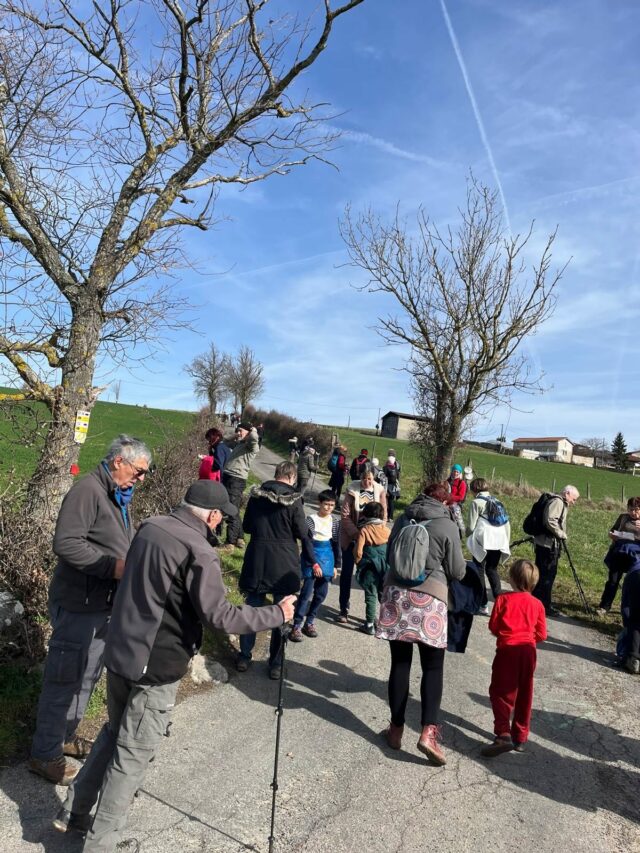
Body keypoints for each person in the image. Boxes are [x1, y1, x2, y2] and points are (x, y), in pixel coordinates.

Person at [54, 480, 296, 848]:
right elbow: (222, 617)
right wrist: (276, 613)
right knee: (132, 755)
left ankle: (73, 812)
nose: (219, 524)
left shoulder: (149, 526)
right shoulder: (198, 550)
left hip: (119, 650)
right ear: (213, 515)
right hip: (154, 664)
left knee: (113, 734)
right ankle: (100, 844)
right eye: (220, 518)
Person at [29, 435, 151, 786]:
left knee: (85, 678)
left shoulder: (117, 495)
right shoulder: (88, 491)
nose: (141, 479)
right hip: (78, 605)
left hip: (101, 605)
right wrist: (114, 568)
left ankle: (63, 737)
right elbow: (66, 544)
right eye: (139, 472)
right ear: (119, 462)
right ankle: (44, 755)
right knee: (64, 679)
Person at [377, 483, 466, 765]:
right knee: (432, 667)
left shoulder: (404, 517)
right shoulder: (447, 523)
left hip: (396, 596)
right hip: (430, 600)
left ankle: (395, 729)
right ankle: (428, 733)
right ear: (445, 501)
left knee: (400, 664)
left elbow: (390, 552)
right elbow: (457, 570)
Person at [237, 461, 312, 678]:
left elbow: (247, 526)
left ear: (276, 474)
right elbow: (301, 531)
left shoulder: (256, 496)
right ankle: (276, 663)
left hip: (257, 558)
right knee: (283, 611)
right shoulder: (295, 500)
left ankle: (244, 655)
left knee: (252, 609)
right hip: (284, 561)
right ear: (292, 478)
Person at [481, 559, 547, 757]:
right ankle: (521, 737)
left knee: (500, 692)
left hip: (507, 650)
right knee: (524, 693)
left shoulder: (503, 599)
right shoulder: (538, 604)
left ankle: (503, 732)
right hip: (528, 651)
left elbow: (493, 626)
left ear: (511, 579)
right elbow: (542, 635)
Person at [290, 489, 341, 641]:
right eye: (326, 504)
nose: (328, 508)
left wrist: (336, 566)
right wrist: (314, 564)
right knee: (306, 593)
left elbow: (336, 544)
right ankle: (297, 625)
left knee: (321, 594)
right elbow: (306, 543)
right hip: (311, 556)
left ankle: (310, 621)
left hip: (327, 558)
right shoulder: (310, 520)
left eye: (332, 505)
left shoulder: (335, 522)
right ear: (320, 503)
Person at [337, 469, 387, 624]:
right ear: (360, 479)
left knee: (375, 579)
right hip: (352, 538)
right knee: (346, 575)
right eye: (365, 479)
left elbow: (384, 514)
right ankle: (344, 608)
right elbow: (345, 516)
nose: (368, 482)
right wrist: (358, 534)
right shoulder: (353, 490)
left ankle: (381, 614)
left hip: (371, 542)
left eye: (370, 479)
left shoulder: (379, 491)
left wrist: (375, 532)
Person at [532, 485, 580, 616]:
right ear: (567, 493)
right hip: (548, 545)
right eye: (574, 499)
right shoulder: (558, 502)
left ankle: (536, 602)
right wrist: (561, 534)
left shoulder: (557, 501)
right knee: (548, 575)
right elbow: (550, 520)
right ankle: (544, 606)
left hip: (545, 543)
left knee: (542, 573)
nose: (573, 502)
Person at [466, 478, 511, 615]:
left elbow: (471, 526)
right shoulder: (498, 501)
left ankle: (483, 603)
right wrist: (506, 542)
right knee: (492, 570)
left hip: (483, 541)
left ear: (474, 489)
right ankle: (501, 605)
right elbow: (506, 523)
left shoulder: (476, 502)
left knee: (479, 570)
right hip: (499, 540)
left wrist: (467, 536)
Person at [596, 496, 640, 615]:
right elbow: (613, 530)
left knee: (633, 584)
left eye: (636, 510)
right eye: (630, 509)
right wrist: (612, 535)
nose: (633, 512)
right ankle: (604, 606)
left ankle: (631, 610)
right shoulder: (623, 517)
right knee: (612, 581)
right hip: (619, 553)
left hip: (636, 558)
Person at [221, 421, 260, 548]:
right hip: (229, 477)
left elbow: (254, 438)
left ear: (248, 433)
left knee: (231, 510)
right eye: (238, 430)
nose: (238, 433)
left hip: (236, 480)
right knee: (234, 509)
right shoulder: (240, 443)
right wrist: (237, 434)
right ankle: (240, 538)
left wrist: (252, 430)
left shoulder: (252, 446)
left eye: (241, 431)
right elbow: (225, 441)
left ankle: (230, 543)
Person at [355, 501, 389, 635]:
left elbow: (358, 551)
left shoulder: (365, 529)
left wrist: (358, 563)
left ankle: (369, 624)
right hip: (385, 566)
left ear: (366, 514)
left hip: (370, 566)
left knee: (370, 593)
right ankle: (385, 621)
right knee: (383, 593)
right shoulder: (386, 529)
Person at [618, 543, 640, 674]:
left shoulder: (632, 571)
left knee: (636, 621)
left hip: (637, 577)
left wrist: (627, 625)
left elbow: (625, 606)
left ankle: (633, 658)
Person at [382, 450, 401, 520]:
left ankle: (386, 516)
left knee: (386, 501)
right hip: (394, 486)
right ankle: (391, 517)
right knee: (391, 502)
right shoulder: (396, 466)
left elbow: (383, 477)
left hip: (387, 486)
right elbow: (398, 474)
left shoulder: (386, 467)